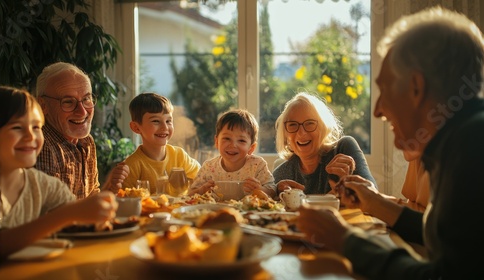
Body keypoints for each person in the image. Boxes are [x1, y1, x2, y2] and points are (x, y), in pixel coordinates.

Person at [297, 7, 484, 279]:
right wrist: (374, 202)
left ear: (416, 87)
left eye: (385, 89)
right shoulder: (462, 137)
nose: (378, 111)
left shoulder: (472, 146)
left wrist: (346, 241)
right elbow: (448, 235)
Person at [0, 87, 117, 260]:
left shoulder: (44, 185)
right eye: (17, 127)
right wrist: (68, 214)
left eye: (36, 127)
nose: (30, 136)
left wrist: (102, 203)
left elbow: (78, 223)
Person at [35, 62, 127, 199]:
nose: (82, 111)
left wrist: (109, 190)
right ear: (43, 106)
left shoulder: (86, 141)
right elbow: (54, 215)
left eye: (86, 99)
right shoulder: (42, 146)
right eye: (68, 102)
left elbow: (89, 200)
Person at [273, 92, 376, 195]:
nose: (301, 133)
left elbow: (373, 196)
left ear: (324, 128)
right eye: (292, 125)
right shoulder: (281, 176)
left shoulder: (343, 149)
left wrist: (349, 184)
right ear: (285, 134)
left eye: (310, 123)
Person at [111, 93, 200, 193]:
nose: (165, 127)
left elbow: (202, 176)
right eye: (156, 121)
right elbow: (124, 200)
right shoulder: (132, 166)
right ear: (136, 127)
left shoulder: (180, 156)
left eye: (168, 121)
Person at [188, 109, 276, 198]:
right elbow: (190, 194)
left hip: (251, 211)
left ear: (251, 148)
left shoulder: (257, 165)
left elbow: (273, 191)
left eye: (241, 140)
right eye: (227, 138)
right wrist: (201, 190)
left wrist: (260, 189)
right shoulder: (209, 167)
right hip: (216, 211)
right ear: (217, 141)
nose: (233, 145)